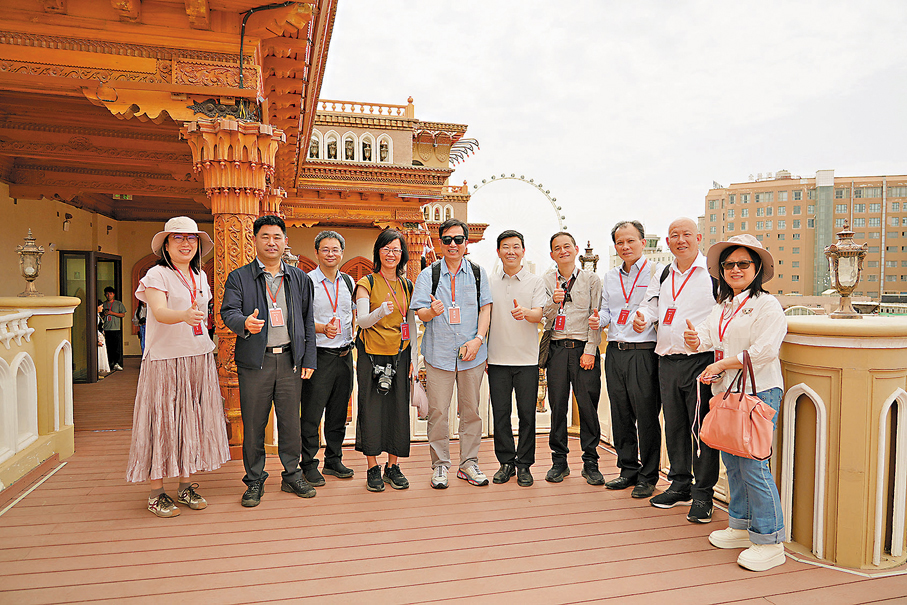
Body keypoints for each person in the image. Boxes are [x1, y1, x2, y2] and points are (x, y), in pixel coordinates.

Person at [683, 234, 787, 572]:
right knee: (733, 462)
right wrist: (693, 338)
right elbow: (706, 337)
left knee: (754, 466)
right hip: (727, 393)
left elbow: (765, 351)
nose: (735, 269)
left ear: (756, 269)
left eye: (743, 263)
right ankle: (741, 525)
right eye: (729, 264)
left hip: (758, 392)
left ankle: (770, 540)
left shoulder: (767, 305)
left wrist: (721, 365)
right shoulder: (723, 306)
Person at [125, 216, 230, 518]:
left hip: (198, 355)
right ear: (166, 245)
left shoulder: (200, 276)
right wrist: (183, 315)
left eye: (191, 238)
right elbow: (158, 312)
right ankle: (156, 492)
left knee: (190, 421)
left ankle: (185, 486)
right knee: (161, 422)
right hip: (165, 359)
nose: (186, 243)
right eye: (178, 238)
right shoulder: (156, 275)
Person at [221, 214, 317, 507]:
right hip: (255, 362)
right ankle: (254, 479)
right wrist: (244, 323)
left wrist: (308, 358)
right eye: (265, 236)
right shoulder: (239, 277)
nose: (271, 242)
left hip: (290, 361)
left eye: (277, 237)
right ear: (255, 240)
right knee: (254, 423)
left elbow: (308, 321)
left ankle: (292, 475)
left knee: (290, 423)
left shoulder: (299, 278)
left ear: (285, 241)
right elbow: (228, 311)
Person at [634, 217, 719, 523]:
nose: (680, 240)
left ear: (698, 238)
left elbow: (723, 313)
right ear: (668, 241)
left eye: (686, 235)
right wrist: (642, 317)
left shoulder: (713, 272)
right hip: (667, 360)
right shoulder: (664, 272)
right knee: (675, 426)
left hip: (699, 361)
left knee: (700, 430)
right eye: (674, 235)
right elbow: (651, 304)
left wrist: (705, 339)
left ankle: (703, 493)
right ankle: (680, 484)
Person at [411, 218, 492, 489]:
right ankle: (440, 465)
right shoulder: (429, 275)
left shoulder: (478, 273)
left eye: (458, 239)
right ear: (440, 242)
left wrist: (479, 340)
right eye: (447, 240)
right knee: (438, 412)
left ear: (466, 242)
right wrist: (431, 312)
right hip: (439, 354)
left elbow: (485, 309)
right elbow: (420, 313)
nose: (453, 244)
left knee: (471, 411)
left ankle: (468, 463)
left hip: (472, 354)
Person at [589, 220, 664, 498]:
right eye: (620, 242)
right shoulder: (610, 276)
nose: (625, 246)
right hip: (615, 351)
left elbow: (660, 307)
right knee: (620, 414)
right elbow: (607, 311)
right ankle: (628, 469)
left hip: (644, 351)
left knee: (646, 415)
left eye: (631, 240)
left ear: (643, 242)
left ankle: (649, 475)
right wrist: (598, 319)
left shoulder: (657, 272)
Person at [354, 229, 417, 492]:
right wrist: (380, 311)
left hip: (400, 354)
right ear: (378, 251)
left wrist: (414, 358)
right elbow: (362, 321)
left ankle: (393, 466)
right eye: (386, 249)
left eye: (396, 249)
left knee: (398, 409)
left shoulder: (407, 285)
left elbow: (410, 323)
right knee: (371, 408)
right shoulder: (366, 282)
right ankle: (372, 466)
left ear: (402, 254)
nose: (391, 254)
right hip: (371, 353)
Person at [542, 231, 604, 485]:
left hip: (583, 349)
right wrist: (553, 302)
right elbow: (543, 316)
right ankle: (559, 461)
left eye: (567, 246)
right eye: (557, 248)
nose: (563, 251)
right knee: (558, 406)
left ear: (576, 249)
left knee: (587, 406)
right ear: (552, 254)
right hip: (557, 349)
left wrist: (590, 349)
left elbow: (596, 315)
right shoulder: (546, 280)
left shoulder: (591, 279)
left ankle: (591, 462)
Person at [487, 230, 546, 487]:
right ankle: (506, 462)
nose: (510, 251)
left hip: (527, 360)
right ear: (498, 251)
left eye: (515, 246)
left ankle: (525, 465)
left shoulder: (535, 281)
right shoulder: (489, 281)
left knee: (527, 415)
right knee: (500, 414)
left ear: (523, 251)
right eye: (505, 247)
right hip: (496, 359)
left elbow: (539, 314)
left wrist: (525, 313)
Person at [301, 230, 357, 487]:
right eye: (325, 249)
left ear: (342, 253)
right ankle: (308, 464)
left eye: (335, 249)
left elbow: (351, 314)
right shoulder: (307, 282)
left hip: (344, 354)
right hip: (319, 355)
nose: (330, 254)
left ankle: (333, 460)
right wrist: (322, 328)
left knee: (338, 412)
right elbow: (300, 319)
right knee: (312, 414)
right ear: (316, 253)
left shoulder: (348, 282)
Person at [102, 286, 126, 371]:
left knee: (116, 347)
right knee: (108, 347)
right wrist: (105, 314)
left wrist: (112, 313)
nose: (108, 295)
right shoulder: (103, 304)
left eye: (110, 294)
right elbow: (100, 316)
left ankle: (117, 363)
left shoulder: (118, 304)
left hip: (116, 328)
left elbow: (123, 314)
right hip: (106, 329)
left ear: (113, 294)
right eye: (107, 294)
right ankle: (110, 363)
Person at [97, 302, 110, 375]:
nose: (102, 308)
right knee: (99, 353)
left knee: (102, 353)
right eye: (101, 306)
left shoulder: (98, 316)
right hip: (99, 336)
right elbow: (95, 329)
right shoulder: (96, 317)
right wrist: (97, 340)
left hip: (101, 335)